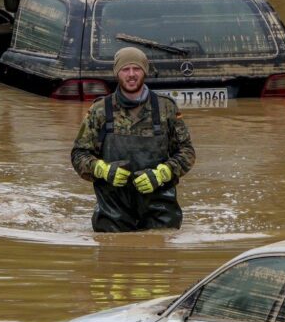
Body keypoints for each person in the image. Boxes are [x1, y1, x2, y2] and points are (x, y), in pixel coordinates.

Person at [71, 46, 195, 232]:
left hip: (160, 212)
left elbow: (187, 152)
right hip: (112, 214)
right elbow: (79, 154)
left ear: (144, 71)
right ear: (117, 73)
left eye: (136, 69)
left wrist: (164, 173)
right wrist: (101, 169)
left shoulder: (166, 108)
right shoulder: (100, 110)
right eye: (125, 69)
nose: (131, 74)